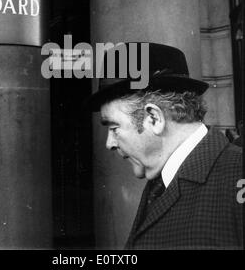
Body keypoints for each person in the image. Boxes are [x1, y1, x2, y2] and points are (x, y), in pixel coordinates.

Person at [88, 42, 243, 249]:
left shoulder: (236, 174)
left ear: (153, 118)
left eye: (114, 127)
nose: (109, 143)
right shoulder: (161, 183)